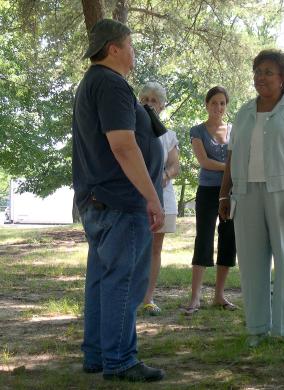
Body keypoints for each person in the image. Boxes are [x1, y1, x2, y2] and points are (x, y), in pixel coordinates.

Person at [72, 19, 165, 382]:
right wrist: (151, 196)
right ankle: (121, 359)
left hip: (98, 199)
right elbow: (123, 146)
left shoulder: (91, 83)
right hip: (119, 202)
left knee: (101, 278)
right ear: (113, 48)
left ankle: (96, 354)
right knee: (123, 280)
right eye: (130, 45)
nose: (133, 52)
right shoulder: (110, 84)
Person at [218, 49, 284, 347]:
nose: (260, 77)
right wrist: (225, 193)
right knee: (251, 263)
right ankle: (257, 327)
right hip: (246, 194)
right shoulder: (244, 112)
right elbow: (232, 155)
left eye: (267, 72)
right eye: (257, 71)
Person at [185, 86, 237, 315]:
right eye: (214, 102)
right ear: (206, 105)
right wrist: (229, 167)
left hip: (231, 192)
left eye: (222, 103)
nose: (218, 107)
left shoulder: (235, 130)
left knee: (228, 239)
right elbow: (204, 161)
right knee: (204, 239)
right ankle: (195, 297)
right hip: (207, 191)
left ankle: (219, 295)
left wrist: (230, 172)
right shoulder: (197, 131)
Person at [139, 82, 180, 315]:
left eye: (153, 100)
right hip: (136, 198)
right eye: (144, 99)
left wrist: (163, 175)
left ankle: (148, 298)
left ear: (162, 106)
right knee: (134, 247)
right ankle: (130, 296)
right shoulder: (130, 132)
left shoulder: (168, 136)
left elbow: (175, 166)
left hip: (163, 197)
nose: (148, 104)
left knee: (155, 248)